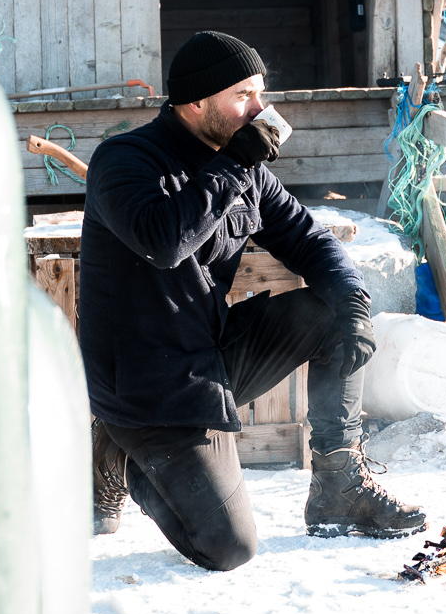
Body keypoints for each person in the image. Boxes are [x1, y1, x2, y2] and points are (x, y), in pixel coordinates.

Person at [79, 29, 426, 571]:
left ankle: (339, 484)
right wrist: (234, 167)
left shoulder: (243, 170)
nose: (260, 109)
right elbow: (164, 242)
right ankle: (121, 454)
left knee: (335, 314)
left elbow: (308, 240)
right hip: (143, 382)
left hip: (209, 353)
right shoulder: (124, 161)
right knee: (228, 548)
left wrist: (354, 302)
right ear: (196, 103)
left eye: (260, 94)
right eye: (243, 95)